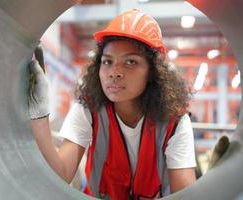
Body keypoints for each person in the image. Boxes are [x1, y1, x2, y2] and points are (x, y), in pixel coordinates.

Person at [28, 9, 196, 200]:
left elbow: (186, 195)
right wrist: (39, 115)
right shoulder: (88, 109)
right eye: (107, 61)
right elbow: (62, 174)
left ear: (152, 72)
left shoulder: (174, 122)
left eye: (130, 62)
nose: (114, 72)